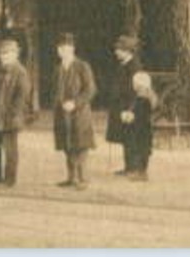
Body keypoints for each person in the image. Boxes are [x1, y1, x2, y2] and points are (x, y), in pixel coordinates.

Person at [0, 38, 32, 188]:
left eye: (8, 53)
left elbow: (22, 96)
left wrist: (13, 113)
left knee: (10, 150)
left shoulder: (20, 72)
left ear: (16, 54)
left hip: (10, 118)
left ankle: (9, 180)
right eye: (2, 53)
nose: (4, 56)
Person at [52, 32, 97, 189]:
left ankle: (82, 178)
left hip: (80, 113)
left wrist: (75, 103)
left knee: (81, 145)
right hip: (62, 114)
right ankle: (71, 178)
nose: (62, 51)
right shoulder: (58, 69)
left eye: (66, 48)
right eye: (60, 48)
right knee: (67, 145)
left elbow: (90, 90)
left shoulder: (82, 66)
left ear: (72, 49)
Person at [107, 33, 143, 175]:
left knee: (132, 137)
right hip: (122, 106)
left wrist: (130, 110)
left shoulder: (134, 66)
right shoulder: (123, 64)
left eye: (119, 49)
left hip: (131, 107)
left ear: (127, 51)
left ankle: (135, 168)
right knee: (126, 137)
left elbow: (137, 91)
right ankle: (129, 167)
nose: (116, 52)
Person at [120, 70, 157, 180]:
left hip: (141, 129)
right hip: (141, 128)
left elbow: (141, 115)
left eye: (135, 83)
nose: (133, 85)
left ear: (140, 85)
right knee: (139, 149)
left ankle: (142, 172)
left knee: (141, 150)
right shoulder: (142, 97)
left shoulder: (143, 99)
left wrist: (129, 116)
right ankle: (138, 171)